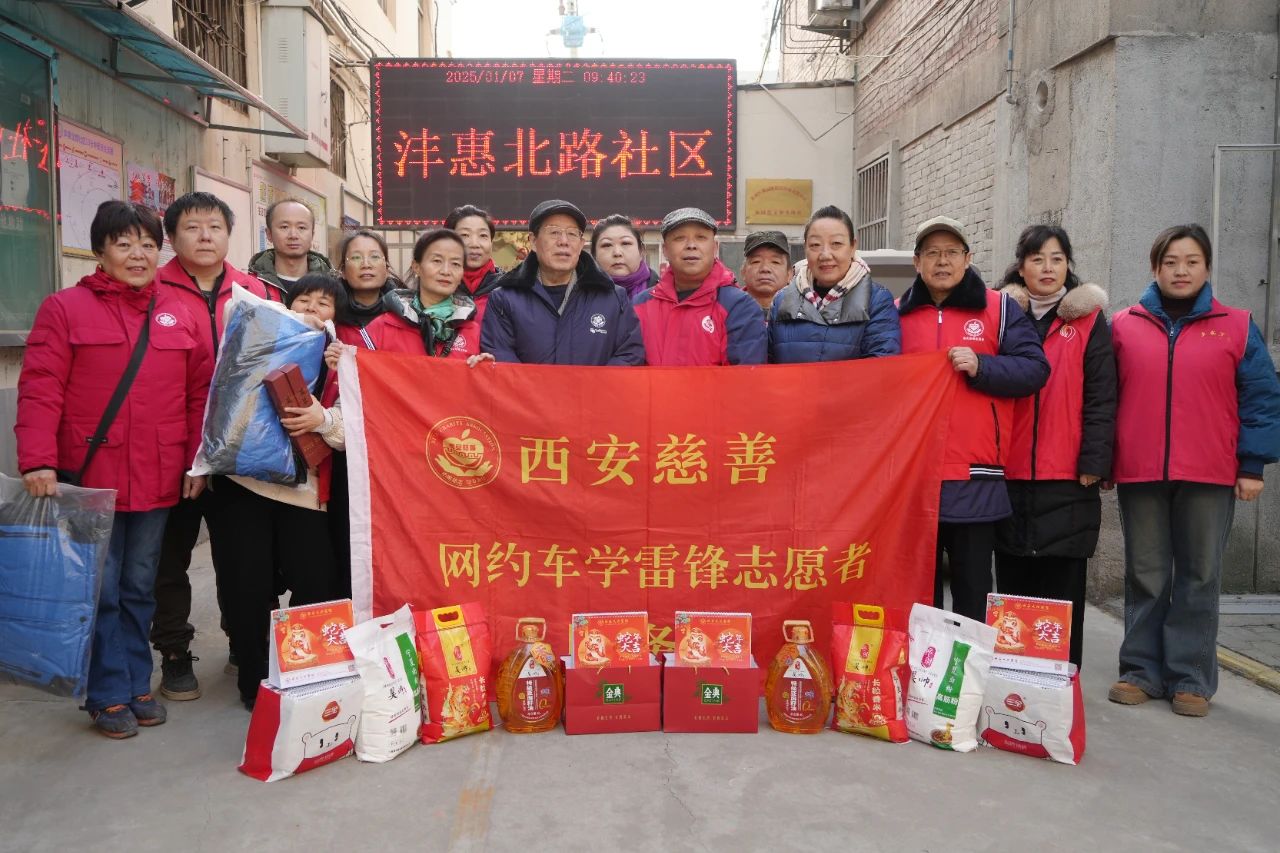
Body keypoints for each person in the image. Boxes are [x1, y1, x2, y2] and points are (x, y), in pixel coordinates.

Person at [16, 200, 212, 738]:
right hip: (88, 475)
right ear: (100, 251)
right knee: (98, 589)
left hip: (158, 474)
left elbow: (199, 395)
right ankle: (106, 693)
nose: (137, 254)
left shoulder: (181, 311)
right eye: (123, 243)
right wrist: (38, 460)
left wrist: (197, 460)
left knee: (140, 585)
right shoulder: (65, 309)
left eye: (147, 244)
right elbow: (40, 388)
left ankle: (136, 684)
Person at [1107, 224, 1280, 717]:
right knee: (1145, 573)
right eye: (1170, 262)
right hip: (1140, 471)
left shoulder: (1237, 326)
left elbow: (1261, 398)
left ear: (1206, 267)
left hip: (1210, 472)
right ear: (1154, 268)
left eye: (1191, 262)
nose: (1180, 271)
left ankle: (1190, 677)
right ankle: (1140, 670)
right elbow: (1104, 395)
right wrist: (1103, 460)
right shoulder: (1123, 325)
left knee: (1200, 574)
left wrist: (1251, 465)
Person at [152, 191, 277, 700]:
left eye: (214, 227)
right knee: (170, 558)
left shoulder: (255, 292)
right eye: (192, 227)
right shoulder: (151, 290)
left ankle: (241, 642)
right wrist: (190, 458)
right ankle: (174, 652)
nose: (205, 236)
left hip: (238, 452)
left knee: (240, 557)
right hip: (172, 450)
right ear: (172, 236)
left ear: (229, 234)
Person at [897, 216, 1050, 622]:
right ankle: (924, 666)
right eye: (932, 253)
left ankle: (970, 667)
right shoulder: (896, 315)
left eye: (951, 252)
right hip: (914, 479)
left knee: (972, 600)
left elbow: (1035, 370)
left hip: (975, 477)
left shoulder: (999, 309)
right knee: (919, 603)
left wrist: (982, 366)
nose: (942, 261)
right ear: (917, 262)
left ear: (968, 259)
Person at [204, 273, 345, 711]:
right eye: (304, 300)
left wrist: (323, 416)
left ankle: (306, 674)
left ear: (337, 316)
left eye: (324, 303)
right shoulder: (257, 335)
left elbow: (354, 430)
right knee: (246, 587)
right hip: (241, 484)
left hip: (305, 492)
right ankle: (254, 682)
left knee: (315, 583)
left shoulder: (343, 358)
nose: (313, 309)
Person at [993, 226, 1115, 667]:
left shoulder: (1087, 322)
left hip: (1067, 475)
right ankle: (1013, 682)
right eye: (1037, 258)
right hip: (1007, 472)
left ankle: (1061, 683)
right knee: (1013, 589)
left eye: (1057, 259)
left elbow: (1102, 396)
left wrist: (1095, 460)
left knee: (1062, 590)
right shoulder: (1002, 316)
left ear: (1068, 265)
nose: (1047, 268)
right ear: (1021, 266)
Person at [481, 200, 645, 365]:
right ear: (533, 241)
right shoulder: (504, 299)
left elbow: (629, 354)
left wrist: (594, 382)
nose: (564, 241)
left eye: (572, 234)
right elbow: (501, 359)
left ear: (581, 244)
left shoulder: (613, 298)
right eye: (554, 232)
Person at [631, 207, 766, 365]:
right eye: (679, 238)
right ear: (666, 250)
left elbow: (746, 375)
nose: (691, 245)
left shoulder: (740, 307)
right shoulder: (640, 305)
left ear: (715, 247)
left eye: (701, 237)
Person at [768, 206, 900, 362]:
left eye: (836, 243)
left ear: (853, 247)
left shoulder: (876, 301)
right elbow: (767, 366)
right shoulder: (782, 300)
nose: (825, 255)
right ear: (805, 248)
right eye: (815, 245)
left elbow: (881, 367)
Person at [363, 229, 481, 357]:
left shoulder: (473, 332)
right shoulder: (382, 327)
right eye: (437, 261)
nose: (446, 271)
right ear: (416, 267)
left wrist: (484, 365)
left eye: (456, 264)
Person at [247, 199, 333, 289]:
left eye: (301, 228)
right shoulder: (250, 287)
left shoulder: (332, 287)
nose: (293, 235)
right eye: (284, 227)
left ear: (312, 234)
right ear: (269, 234)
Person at [334, 229, 397, 349]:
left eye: (375, 257)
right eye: (356, 257)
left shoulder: (406, 316)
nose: (366, 264)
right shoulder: (330, 318)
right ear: (343, 271)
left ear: (387, 270)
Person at [444, 204, 504, 326]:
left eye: (483, 235)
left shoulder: (508, 289)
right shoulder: (436, 288)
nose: (475, 244)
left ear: (491, 242)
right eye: (465, 235)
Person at [591, 213, 658, 298]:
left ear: (641, 251)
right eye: (607, 245)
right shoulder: (580, 298)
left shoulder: (665, 295)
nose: (617, 253)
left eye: (625, 243)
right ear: (594, 254)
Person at [740, 230, 793, 314]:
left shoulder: (804, 312)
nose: (765, 268)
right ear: (743, 272)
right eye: (756, 261)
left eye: (775, 262)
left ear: (789, 274)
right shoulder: (728, 309)